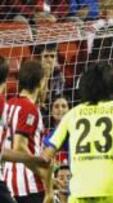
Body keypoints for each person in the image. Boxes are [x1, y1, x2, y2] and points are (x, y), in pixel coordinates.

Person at [41, 62, 113, 203]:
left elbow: (45, 157)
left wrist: (48, 190)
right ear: (111, 87)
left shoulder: (71, 115)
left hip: (79, 195)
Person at [2, 60, 51, 203]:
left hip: (9, 182)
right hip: (31, 186)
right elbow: (19, 147)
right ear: (41, 83)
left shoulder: (9, 104)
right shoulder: (29, 109)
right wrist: (43, 173)